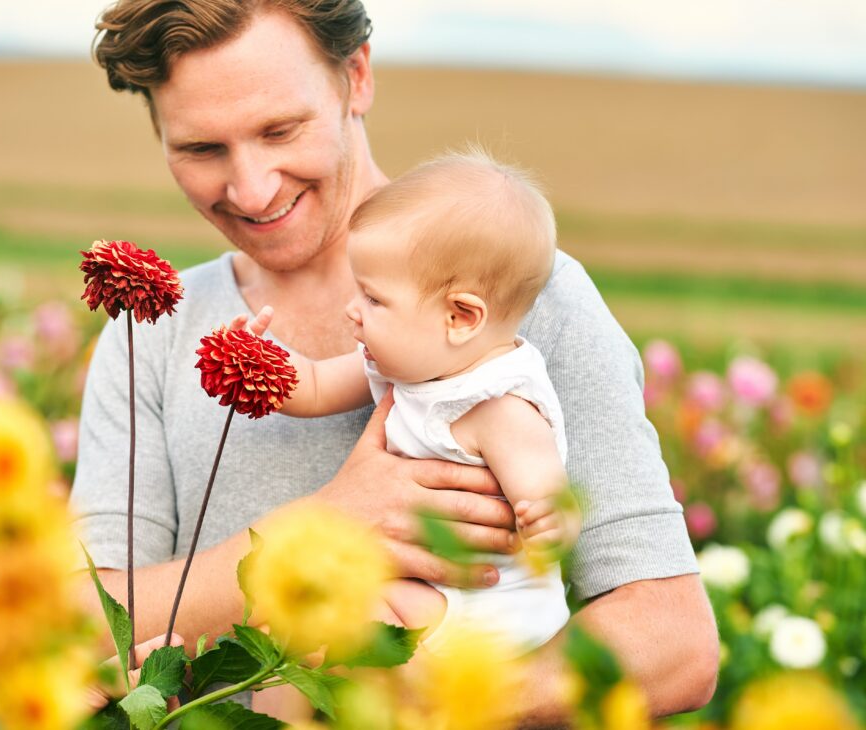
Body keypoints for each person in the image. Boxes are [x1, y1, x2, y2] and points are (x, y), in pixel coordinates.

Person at [71, 0, 719, 723]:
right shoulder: (154, 332)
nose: (251, 188)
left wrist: (428, 704)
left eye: (280, 129)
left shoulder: (518, 293)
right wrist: (325, 525)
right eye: (201, 150)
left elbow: (673, 642)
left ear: (358, 77)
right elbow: (78, 629)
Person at [236, 151, 577, 720]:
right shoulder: (406, 364)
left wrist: (548, 519)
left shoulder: (497, 404)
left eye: (373, 298)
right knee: (295, 617)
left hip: (487, 613)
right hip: (435, 595)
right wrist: (260, 361)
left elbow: (546, 488)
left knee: (321, 618)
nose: (353, 310)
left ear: (460, 317)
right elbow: (315, 386)